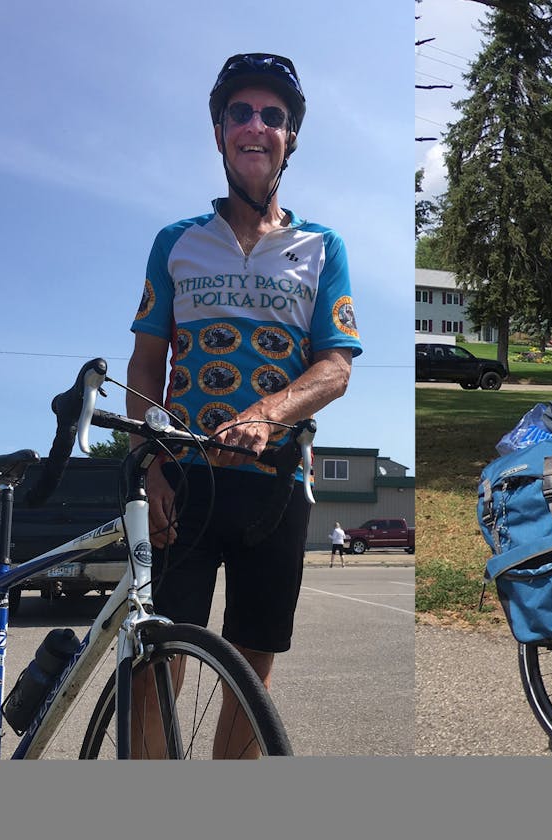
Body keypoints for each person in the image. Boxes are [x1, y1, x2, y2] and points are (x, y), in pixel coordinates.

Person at [127, 53, 362, 757]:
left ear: (290, 138)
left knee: (249, 673)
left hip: (275, 486)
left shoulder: (323, 247)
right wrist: (149, 466)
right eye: (239, 113)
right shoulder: (176, 243)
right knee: (154, 666)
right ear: (220, 131)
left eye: (273, 116)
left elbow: (336, 366)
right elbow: (146, 362)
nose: (255, 126)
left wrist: (269, 413)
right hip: (184, 484)